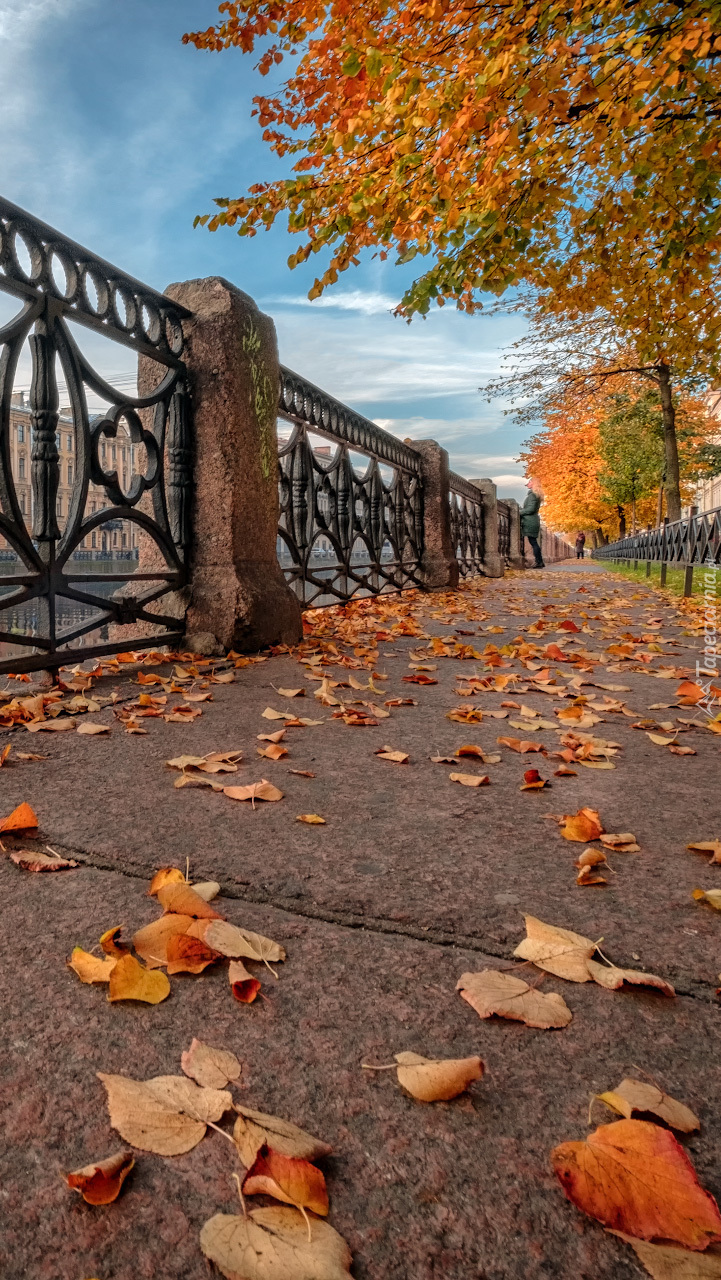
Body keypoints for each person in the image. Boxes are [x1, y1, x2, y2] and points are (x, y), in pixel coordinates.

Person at [520, 477, 544, 568]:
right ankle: (539, 561)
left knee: (533, 542)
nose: (528, 483)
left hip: (530, 521)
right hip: (531, 521)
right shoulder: (534, 494)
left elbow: (531, 509)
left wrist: (519, 512)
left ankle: (539, 562)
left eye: (529, 481)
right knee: (533, 542)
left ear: (534, 483)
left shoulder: (533, 495)